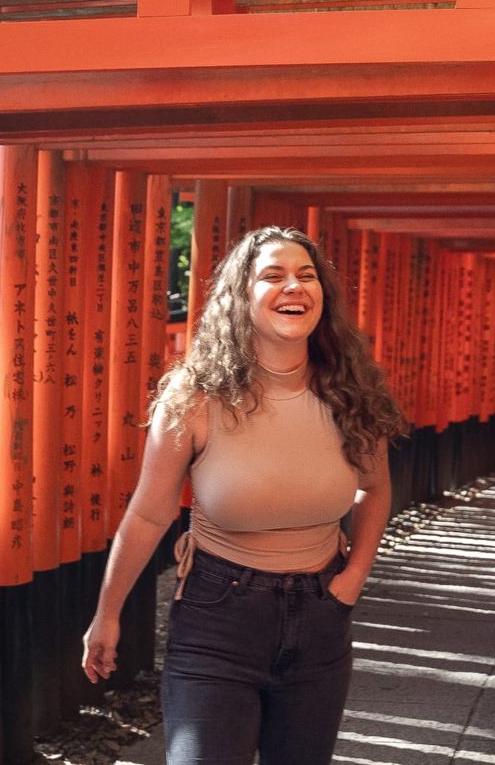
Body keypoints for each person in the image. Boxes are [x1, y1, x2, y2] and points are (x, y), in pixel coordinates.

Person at [82, 225, 407, 765]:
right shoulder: (194, 398)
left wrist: (352, 581)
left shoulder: (351, 393)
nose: (293, 287)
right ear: (241, 296)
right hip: (218, 617)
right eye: (272, 276)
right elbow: (148, 513)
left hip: (320, 611)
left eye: (307, 276)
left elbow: (374, 490)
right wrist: (107, 613)